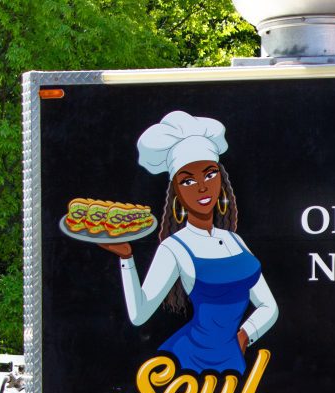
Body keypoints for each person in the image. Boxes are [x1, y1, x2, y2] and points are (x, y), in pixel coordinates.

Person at [100, 110, 277, 374]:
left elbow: (269, 307)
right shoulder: (175, 247)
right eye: (188, 180)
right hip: (185, 365)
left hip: (231, 362)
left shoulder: (235, 241)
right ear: (177, 194)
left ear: (221, 179)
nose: (202, 187)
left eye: (209, 174)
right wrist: (126, 258)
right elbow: (139, 315)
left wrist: (244, 336)